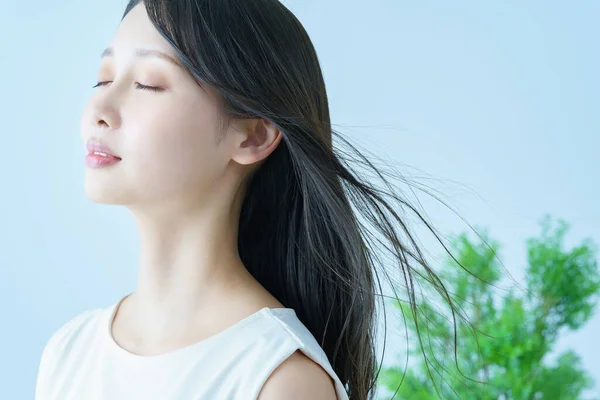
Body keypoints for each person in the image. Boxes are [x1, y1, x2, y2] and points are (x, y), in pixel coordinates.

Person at [35, 1, 468, 399]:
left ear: (254, 135)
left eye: (148, 84)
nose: (99, 107)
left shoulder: (277, 378)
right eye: (104, 78)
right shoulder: (68, 353)